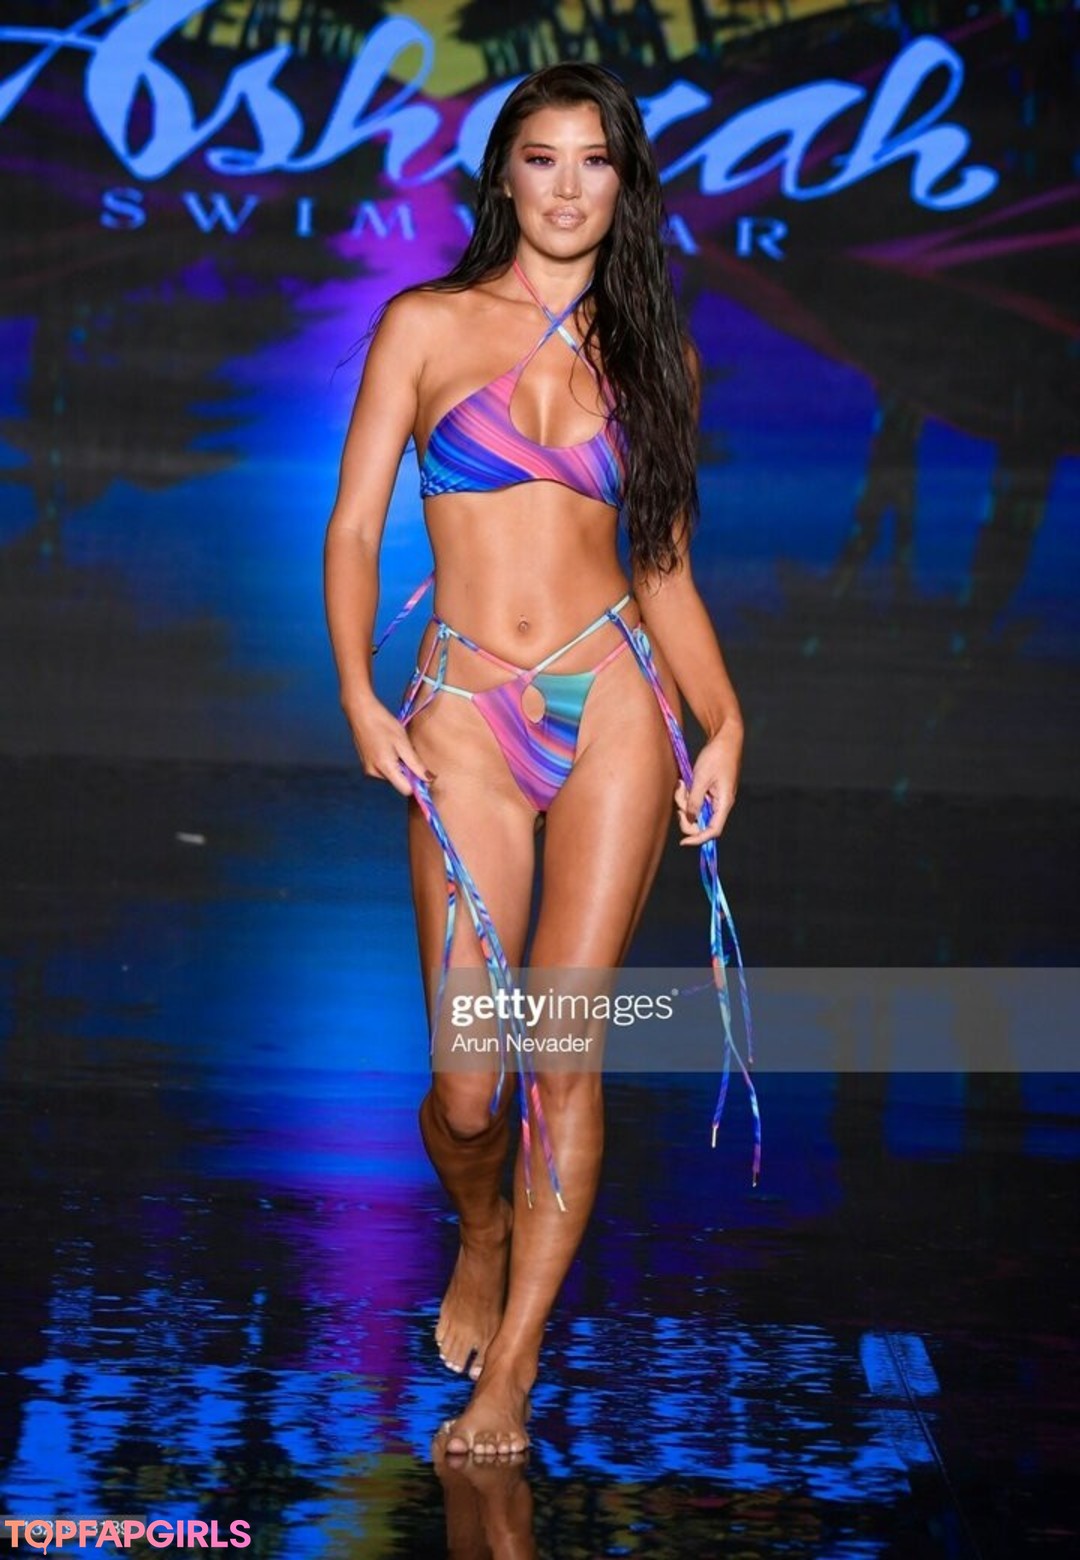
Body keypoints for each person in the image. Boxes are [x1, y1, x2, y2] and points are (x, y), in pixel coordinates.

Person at [324, 62, 751, 1460]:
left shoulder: (658, 357)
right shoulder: (427, 326)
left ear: (624, 183)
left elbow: (663, 564)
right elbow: (354, 527)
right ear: (503, 175)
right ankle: (482, 1226)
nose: (567, 187)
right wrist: (357, 694)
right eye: (542, 158)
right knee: (468, 1091)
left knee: (565, 1053)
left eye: (594, 161)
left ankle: (511, 1370)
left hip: (617, 696)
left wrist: (724, 720)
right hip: (462, 711)